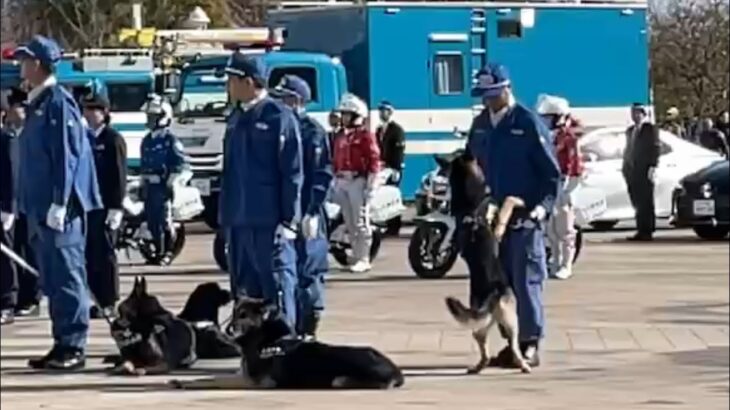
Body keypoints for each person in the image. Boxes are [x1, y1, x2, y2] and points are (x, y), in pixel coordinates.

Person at [14, 35, 103, 370]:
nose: (20, 67)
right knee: (52, 277)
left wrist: (60, 202)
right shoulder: (38, 103)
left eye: (24, 61)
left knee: (67, 276)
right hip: (40, 208)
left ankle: (74, 345)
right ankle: (61, 341)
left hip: (59, 211)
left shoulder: (57, 103)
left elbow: (66, 156)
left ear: (39, 64)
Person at [465, 63, 560, 367]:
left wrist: (541, 209)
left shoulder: (528, 123)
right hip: (490, 219)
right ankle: (509, 343)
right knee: (496, 285)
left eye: (493, 94)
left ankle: (529, 343)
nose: (488, 101)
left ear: (507, 89)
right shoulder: (481, 124)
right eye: (484, 95)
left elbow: (551, 175)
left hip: (523, 216)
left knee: (526, 281)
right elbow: (472, 166)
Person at [219, 53, 303, 330]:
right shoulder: (235, 119)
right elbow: (230, 173)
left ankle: (284, 348)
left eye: (231, 80)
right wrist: (226, 220)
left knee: (275, 287)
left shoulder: (278, 117)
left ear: (248, 81)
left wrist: (290, 219)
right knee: (245, 291)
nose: (228, 87)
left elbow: (292, 172)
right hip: (240, 221)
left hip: (269, 221)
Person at [271, 75, 333, 339]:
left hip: (308, 211)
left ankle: (309, 328)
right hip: (287, 212)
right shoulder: (281, 128)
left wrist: (311, 210)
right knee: (288, 271)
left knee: (309, 269)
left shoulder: (313, 132)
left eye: (283, 97)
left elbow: (321, 174)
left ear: (296, 100)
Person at [81, 81, 127, 319]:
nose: (89, 114)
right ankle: (97, 299)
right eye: (86, 109)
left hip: (107, 206)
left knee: (106, 255)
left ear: (104, 112)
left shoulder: (112, 139)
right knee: (90, 255)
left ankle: (110, 300)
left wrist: (116, 207)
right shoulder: (85, 138)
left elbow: (119, 175)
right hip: (89, 205)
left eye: (94, 109)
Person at [536, 94, 584, 280]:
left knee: (565, 228)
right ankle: (555, 261)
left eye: (549, 117)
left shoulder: (569, 136)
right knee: (551, 229)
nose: (546, 121)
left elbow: (573, 161)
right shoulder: (550, 135)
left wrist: (565, 182)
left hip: (566, 183)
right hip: (552, 183)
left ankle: (566, 264)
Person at [331, 93, 381, 273]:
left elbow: (374, 159)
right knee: (349, 222)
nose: (343, 118)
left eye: (347, 114)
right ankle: (356, 255)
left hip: (358, 181)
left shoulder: (366, 136)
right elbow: (336, 158)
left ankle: (364, 258)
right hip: (342, 180)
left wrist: (371, 184)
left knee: (361, 222)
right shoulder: (341, 136)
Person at [139, 94, 186, 266]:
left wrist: (172, 181)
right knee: (151, 220)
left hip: (163, 186)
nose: (150, 120)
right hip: (150, 187)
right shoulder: (147, 140)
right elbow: (144, 164)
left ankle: (168, 252)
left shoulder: (170, 140)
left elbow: (180, 163)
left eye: (153, 117)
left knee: (165, 220)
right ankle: (156, 251)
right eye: (149, 116)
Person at [622, 103, 660, 241]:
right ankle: (640, 229)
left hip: (645, 169)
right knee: (636, 201)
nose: (635, 116)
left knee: (646, 200)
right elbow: (628, 149)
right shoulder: (630, 130)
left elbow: (655, 148)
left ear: (643, 114)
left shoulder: (649, 129)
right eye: (633, 113)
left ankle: (648, 230)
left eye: (638, 113)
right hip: (632, 170)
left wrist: (653, 166)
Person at [376, 101, 406, 185]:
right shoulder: (379, 130)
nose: (381, 113)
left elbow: (399, 151)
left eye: (383, 111)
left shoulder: (397, 130)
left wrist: (397, 169)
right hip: (382, 168)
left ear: (389, 112)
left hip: (392, 168)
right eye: (380, 111)